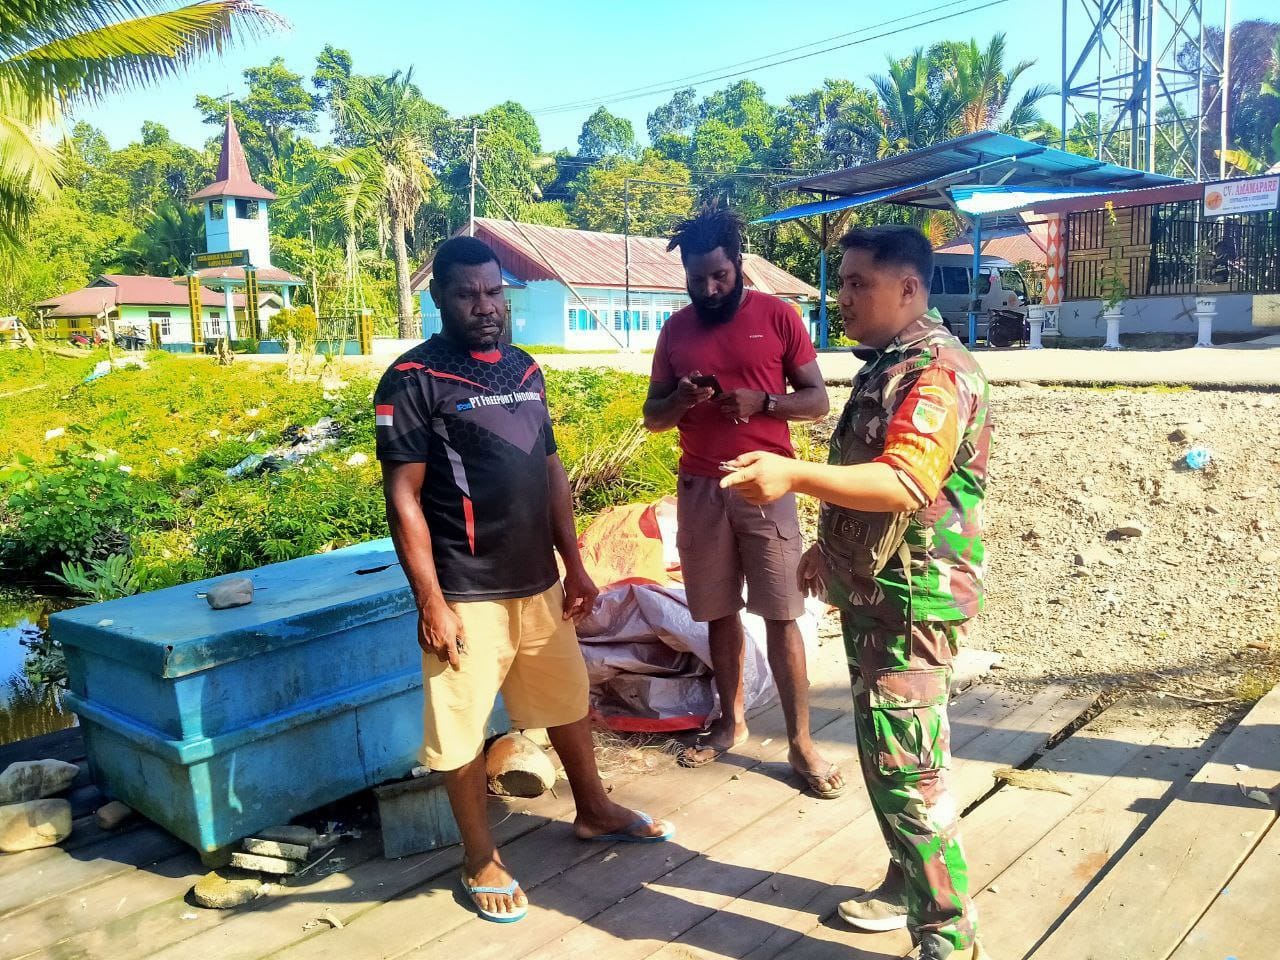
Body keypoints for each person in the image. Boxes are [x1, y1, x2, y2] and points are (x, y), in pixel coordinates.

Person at [376, 235, 674, 925]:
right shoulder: (412, 379)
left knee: (567, 700)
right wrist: (431, 602)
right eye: (466, 294)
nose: (484, 306)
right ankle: (479, 855)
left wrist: (576, 564)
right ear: (439, 298)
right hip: (464, 588)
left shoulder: (526, 368)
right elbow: (404, 500)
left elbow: (550, 474)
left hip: (538, 581)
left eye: (493, 292)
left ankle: (594, 809)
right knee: (458, 731)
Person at [720, 224, 993, 960]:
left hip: (913, 605)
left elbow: (906, 480)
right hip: (878, 592)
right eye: (841, 283)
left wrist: (794, 476)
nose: (843, 298)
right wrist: (826, 546)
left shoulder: (934, 370)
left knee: (910, 777)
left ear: (908, 288)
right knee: (886, 760)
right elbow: (870, 476)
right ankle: (906, 886)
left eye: (858, 284)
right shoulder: (890, 363)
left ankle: (949, 941)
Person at [642, 204, 844, 800]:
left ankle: (802, 742)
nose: (708, 289)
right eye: (697, 279)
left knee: (781, 611)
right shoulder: (675, 330)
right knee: (717, 609)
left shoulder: (778, 317)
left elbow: (817, 400)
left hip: (767, 482)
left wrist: (765, 403)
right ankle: (730, 722)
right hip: (701, 487)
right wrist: (680, 398)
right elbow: (654, 420)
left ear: (738, 265)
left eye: (720, 277)